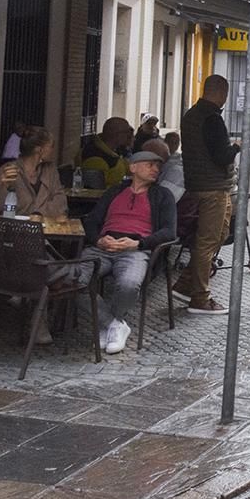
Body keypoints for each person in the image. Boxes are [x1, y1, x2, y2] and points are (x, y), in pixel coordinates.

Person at [64, 150, 177, 354]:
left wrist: (139, 244)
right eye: (150, 164)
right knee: (72, 280)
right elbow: (91, 221)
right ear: (133, 167)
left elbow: (170, 231)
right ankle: (114, 325)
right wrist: (98, 240)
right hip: (103, 247)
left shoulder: (163, 195)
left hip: (135, 250)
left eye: (157, 166)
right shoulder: (114, 192)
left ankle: (108, 327)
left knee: (129, 284)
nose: (156, 169)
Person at [173, 74, 238, 316]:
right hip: (213, 188)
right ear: (222, 94)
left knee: (219, 233)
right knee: (208, 241)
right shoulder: (212, 119)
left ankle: (184, 283)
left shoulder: (191, 115)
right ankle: (200, 297)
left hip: (198, 184)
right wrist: (237, 147)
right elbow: (222, 156)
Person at [0, 128, 68, 219]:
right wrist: (3, 187)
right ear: (40, 150)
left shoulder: (50, 170)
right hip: (15, 228)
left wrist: (39, 214)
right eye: (51, 146)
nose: (53, 150)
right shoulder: (8, 170)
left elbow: (61, 201)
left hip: (46, 227)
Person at [79, 117, 134, 188]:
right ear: (116, 134)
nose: (129, 136)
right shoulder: (96, 158)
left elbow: (127, 168)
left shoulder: (112, 151)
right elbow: (94, 191)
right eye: (126, 132)